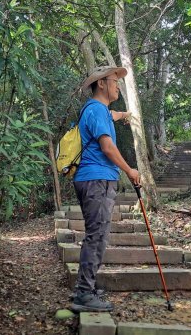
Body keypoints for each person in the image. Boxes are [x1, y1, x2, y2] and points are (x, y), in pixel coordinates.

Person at [70, 66, 141, 312]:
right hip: (97, 179)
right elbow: (108, 148)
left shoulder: (97, 111)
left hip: (94, 179)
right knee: (97, 236)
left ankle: (85, 287)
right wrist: (130, 171)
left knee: (97, 235)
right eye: (115, 81)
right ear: (101, 84)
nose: (118, 86)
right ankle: (83, 294)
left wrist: (126, 114)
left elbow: (113, 116)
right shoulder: (97, 109)